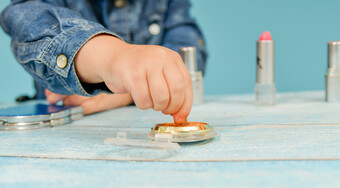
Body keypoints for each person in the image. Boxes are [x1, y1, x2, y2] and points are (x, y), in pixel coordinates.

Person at [0, 0, 207, 124]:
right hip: (58, 125)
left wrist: (124, 93)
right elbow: (26, 18)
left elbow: (189, 44)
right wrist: (110, 57)